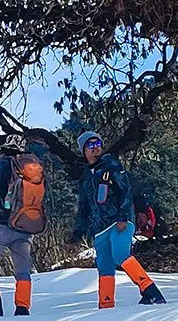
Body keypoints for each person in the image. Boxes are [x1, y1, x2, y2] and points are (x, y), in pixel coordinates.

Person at [71, 131, 166, 308]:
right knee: (104, 264)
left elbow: (125, 190)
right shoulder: (87, 176)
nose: (95, 148)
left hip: (119, 221)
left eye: (97, 143)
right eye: (90, 145)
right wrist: (78, 232)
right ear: (83, 150)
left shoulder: (111, 164)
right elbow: (84, 205)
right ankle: (106, 304)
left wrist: (123, 216)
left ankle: (151, 291)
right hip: (99, 227)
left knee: (121, 253)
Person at [0, 135, 40, 317]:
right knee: (22, 271)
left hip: (1, 224)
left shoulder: (2, 165)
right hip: (25, 225)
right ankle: (22, 308)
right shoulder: (33, 167)